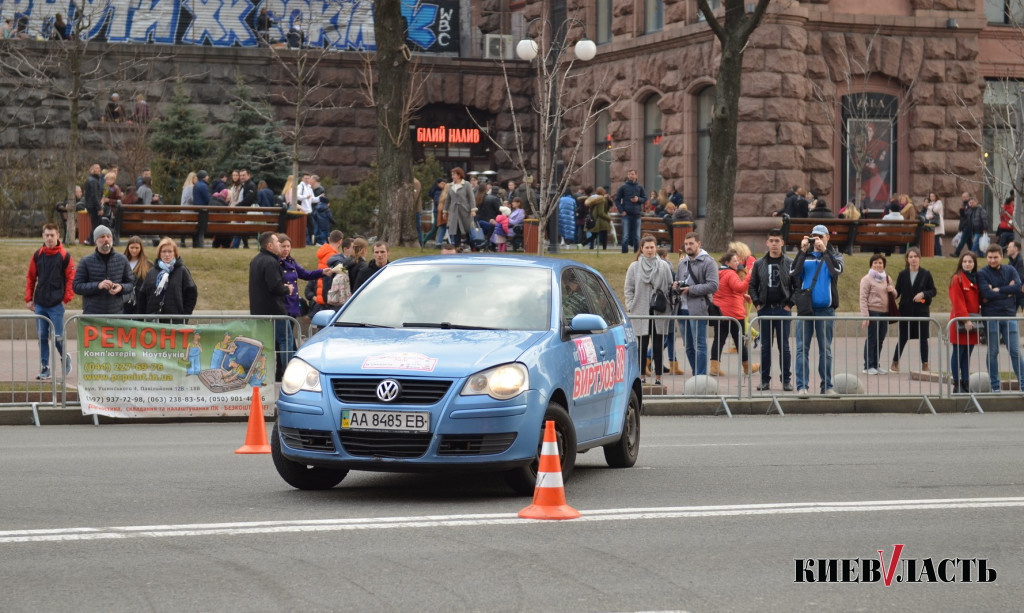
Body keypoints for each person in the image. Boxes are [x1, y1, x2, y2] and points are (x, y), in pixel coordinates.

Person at [791, 223, 844, 398]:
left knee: (825, 350)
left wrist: (825, 252)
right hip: (806, 310)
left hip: (825, 310)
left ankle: (827, 386)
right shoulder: (804, 256)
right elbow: (793, 272)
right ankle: (802, 386)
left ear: (828, 238)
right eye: (814, 236)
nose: (817, 240)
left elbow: (835, 271)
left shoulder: (835, 256)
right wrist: (802, 250)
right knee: (801, 349)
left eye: (821, 237)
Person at [25, 223, 75, 380]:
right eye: (46, 235)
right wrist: (29, 299)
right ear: (42, 236)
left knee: (57, 336)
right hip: (40, 304)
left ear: (58, 236)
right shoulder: (37, 255)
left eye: (52, 235)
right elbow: (31, 278)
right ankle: (45, 367)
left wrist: (66, 299)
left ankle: (65, 358)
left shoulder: (65, 256)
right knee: (41, 336)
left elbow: (71, 279)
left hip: (56, 305)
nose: (49, 238)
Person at [748, 229, 794, 391]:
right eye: (771, 241)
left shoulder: (789, 263)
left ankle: (786, 380)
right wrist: (757, 303)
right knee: (765, 346)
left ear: (782, 243)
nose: (774, 244)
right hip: (765, 309)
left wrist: (790, 304)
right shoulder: (759, 263)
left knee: (785, 347)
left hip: (783, 309)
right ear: (767, 243)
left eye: (777, 241)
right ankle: (765, 379)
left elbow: (797, 285)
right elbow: (752, 285)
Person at [625, 235, 674, 385]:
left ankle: (658, 377)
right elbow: (629, 288)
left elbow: (670, 286)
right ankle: (642, 377)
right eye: (647, 247)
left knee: (658, 345)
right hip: (640, 310)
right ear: (641, 249)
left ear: (656, 248)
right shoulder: (634, 267)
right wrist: (631, 305)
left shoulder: (664, 266)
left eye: (652, 247)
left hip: (659, 311)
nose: (650, 250)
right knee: (642, 345)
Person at [277, 234, 332, 362]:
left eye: (288, 246)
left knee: (288, 337)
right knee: (284, 339)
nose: (286, 249)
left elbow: (305, 274)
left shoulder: (291, 261)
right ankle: (283, 368)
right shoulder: (275, 263)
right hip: (282, 304)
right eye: (283, 246)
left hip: (292, 304)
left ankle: (284, 368)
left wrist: (322, 272)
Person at [977, 244, 1024, 393]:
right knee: (993, 352)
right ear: (986, 258)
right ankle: (995, 386)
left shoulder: (1010, 270)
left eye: (995, 257)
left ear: (1001, 257)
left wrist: (997, 289)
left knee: (1015, 351)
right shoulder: (982, 273)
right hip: (991, 318)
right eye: (990, 257)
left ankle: (1023, 384)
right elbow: (986, 293)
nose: (992, 260)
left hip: (1010, 317)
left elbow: (1017, 287)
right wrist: (1006, 292)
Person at [673, 232, 719, 376]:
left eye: (691, 243)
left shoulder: (708, 262)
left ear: (698, 244)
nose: (688, 247)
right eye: (686, 244)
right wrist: (675, 286)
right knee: (688, 347)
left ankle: (700, 376)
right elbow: (678, 280)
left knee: (700, 345)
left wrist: (690, 290)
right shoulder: (682, 263)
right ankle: (696, 373)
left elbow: (713, 285)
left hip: (698, 308)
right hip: (682, 309)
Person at [709, 249, 759, 377]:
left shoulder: (717, 273)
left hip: (720, 312)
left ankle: (714, 367)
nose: (738, 263)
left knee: (718, 340)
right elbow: (739, 287)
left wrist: (743, 296)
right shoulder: (731, 274)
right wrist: (749, 275)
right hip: (734, 313)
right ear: (727, 262)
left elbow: (726, 291)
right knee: (740, 341)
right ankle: (747, 366)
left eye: (738, 260)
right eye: (735, 261)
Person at [249, 232, 290, 380]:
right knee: (285, 343)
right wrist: (287, 289)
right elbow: (275, 287)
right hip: (275, 311)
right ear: (270, 246)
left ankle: (265, 376)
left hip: (259, 312)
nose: (280, 244)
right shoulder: (271, 262)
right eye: (278, 242)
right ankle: (289, 375)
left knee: (264, 345)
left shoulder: (256, 260)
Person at [889, 248, 936, 373]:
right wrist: (892, 291)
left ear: (919, 258)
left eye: (916, 256)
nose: (913, 259)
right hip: (906, 311)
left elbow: (933, 290)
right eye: (911, 257)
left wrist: (923, 294)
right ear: (907, 259)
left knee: (923, 338)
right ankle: (895, 362)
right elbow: (897, 292)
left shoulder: (926, 274)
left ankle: (925, 364)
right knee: (903, 337)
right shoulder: (902, 274)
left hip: (921, 311)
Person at [73, 225, 134, 315]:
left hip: (116, 314)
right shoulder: (86, 261)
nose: (106, 239)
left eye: (108, 236)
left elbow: (131, 283)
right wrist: (98, 285)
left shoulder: (122, 259)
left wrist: (121, 287)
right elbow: (77, 286)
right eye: (102, 237)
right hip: (93, 314)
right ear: (95, 242)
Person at [137, 237, 198, 320]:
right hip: (153, 321)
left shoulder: (182, 271)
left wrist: (185, 315)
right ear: (159, 253)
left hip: (175, 321)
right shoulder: (151, 272)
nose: (167, 254)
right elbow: (142, 296)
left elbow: (191, 293)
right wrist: (142, 318)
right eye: (164, 251)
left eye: (170, 251)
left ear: (175, 253)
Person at [858, 253, 897, 375]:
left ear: (883, 265)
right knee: (872, 339)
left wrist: (892, 290)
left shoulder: (887, 278)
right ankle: (868, 365)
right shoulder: (866, 279)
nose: (878, 265)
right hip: (873, 312)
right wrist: (865, 315)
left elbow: (894, 295)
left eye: (880, 263)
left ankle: (876, 364)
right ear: (871, 264)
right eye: (875, 262)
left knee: (880, 340)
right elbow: (863, 298)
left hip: (885, 312)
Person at [948, 252, 981, 394]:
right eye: (965, 261)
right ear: (961, 263)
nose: (967, 264)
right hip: (961, 323)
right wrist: (965, 319)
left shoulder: (976, 279)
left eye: (970, 262)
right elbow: (958, 301)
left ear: (974, 264)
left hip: (973, 323)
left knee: (967, 355)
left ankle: (965, 382)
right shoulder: (957, 279)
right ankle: (956, 383)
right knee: (958, 353)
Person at [614, 169, 646, 253]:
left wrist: (638, 199)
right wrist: (621, 211)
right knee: (625, 236)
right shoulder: (623, 187)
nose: (630, 176)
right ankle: (624, 252)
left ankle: (637, 253)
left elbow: (645, 198)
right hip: (626, 214)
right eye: (629, 174)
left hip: (637, 214)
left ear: (636, 175)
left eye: (632, 174)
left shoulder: (640, 187)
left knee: (637, 236)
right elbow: (617, 200)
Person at [445, 167, 475, 249]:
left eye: (454, 174)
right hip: (454, 211)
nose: (452, 176)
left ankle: (472, 245)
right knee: (455, 228)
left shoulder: (466, 184)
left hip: (464, 210)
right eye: (452, 174)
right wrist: (445, 210)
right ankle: (457, 246)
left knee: (467, 228)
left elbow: (471, 198)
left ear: (459, 175)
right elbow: (448, 199)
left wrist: (473, 209)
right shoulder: (451, 185)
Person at [121, 236, 151, 314]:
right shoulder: (121, 262)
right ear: (128, 248)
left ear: (141, 248)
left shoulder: (147, 264)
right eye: (132, 247)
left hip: (141, 301)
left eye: (137, 248)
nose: (134, 250)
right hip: (124, 300)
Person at [83, 163, 103, 243]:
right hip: (93, 206)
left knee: (96, 223)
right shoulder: (93, 181)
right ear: (92, 170)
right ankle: (90, 240)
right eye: (97, 168)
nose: (99, 170)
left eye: (99, 168)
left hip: (90, 205)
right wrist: (99, 207)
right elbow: (94, 195)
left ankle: (90, 239)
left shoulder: (91, 180)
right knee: (96, 223)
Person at [1007, 240, 1024, 312]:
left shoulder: (1021, 261)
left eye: (1009, 247)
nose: (1007, 249)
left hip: (1021, 293)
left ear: (1016, 249)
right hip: (1015, 293)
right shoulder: (1010, 261)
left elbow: (1020, 276)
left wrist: (1012, 282)